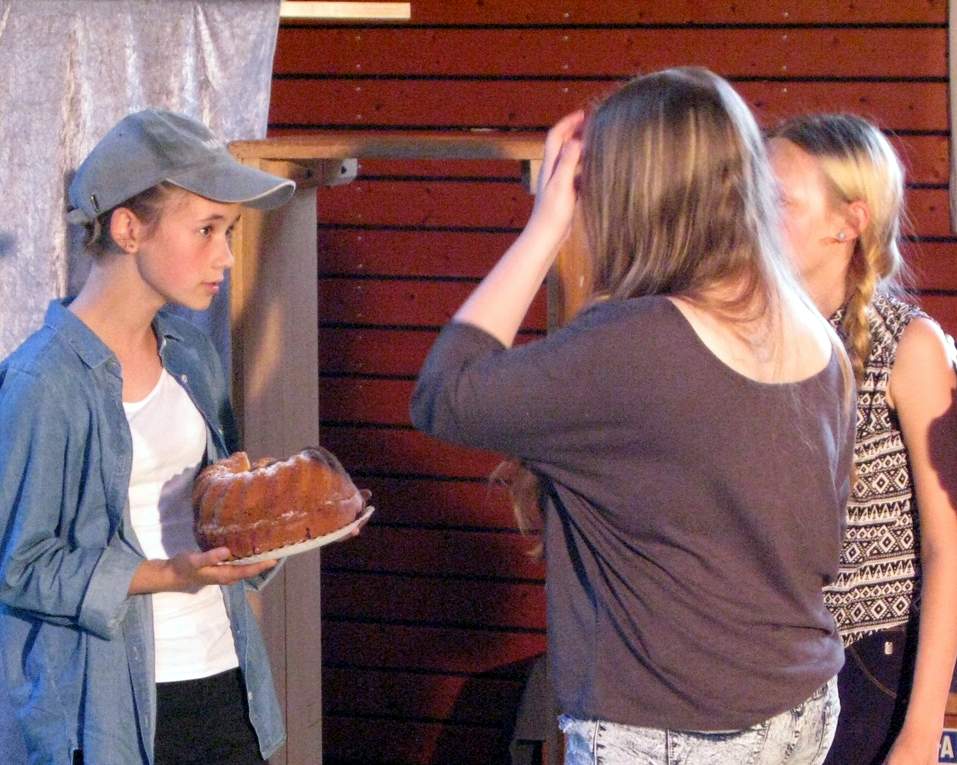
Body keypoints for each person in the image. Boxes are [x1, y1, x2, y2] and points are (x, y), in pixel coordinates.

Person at [411, 67, 855, 765]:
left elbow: (444, 394)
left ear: (627, 195)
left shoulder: (636, 344)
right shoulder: (807, 326)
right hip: (797, 702)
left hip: (673, 724)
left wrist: (545, 226)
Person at [0, 109, 297, 764]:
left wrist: (264, 508)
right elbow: (18, 566)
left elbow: (208, 514)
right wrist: (165, 574)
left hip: (226, 683)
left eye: (229, 231)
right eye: (206, 229)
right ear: (129, 228)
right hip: (107, 710)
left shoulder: (191, 354)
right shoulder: (42, 381)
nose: (225, 255)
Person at [769, 114, 957, 765]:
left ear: (847, 222)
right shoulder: (749, 339)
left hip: (869, 665)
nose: (753, 217)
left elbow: (947, 544)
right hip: (773, 662)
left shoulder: (906, 345)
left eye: (779, 200)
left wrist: (919, 732)